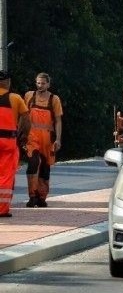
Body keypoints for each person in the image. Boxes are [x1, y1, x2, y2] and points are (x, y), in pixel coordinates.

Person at [23, 72, 63, 208]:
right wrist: (20, 134)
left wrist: (58, 139)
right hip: (32, 137)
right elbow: (23, 117)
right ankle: (32, 196)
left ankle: (41, 197)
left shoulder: (54, 99)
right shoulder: (29, 96)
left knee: (45, 168)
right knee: (33, 164)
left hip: (47, 138)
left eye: (43, 83)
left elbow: (58, 121)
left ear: (48, 84)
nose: (40, 86)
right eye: (38, 83)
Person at [0, 70, 30, 217]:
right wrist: (23, 135)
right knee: (5, 175)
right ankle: (2, 209)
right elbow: (26, 120)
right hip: (8, 141)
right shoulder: (15, 98)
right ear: (8, 82)